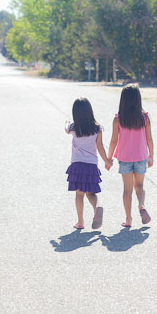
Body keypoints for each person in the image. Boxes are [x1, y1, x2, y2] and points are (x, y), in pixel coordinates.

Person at [107, 83, 153, 227]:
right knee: (139, 185)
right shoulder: (144, 118)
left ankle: (128, 219)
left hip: (125, 159)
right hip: (141, 157)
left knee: (127, 190)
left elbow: (113, 140)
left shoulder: (118, 119)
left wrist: (108, 158)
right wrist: (151, 155)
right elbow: (149, 139)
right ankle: (141, 205)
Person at [65, 97, 110, 230]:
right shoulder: (97, 128)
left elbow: (66, 129)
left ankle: (80, 222)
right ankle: (97, 208)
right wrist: (107, 161)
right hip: (91, 166)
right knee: (91, 193)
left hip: (77, 165)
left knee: (79, 194)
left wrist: (66, 122)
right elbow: (100, 147)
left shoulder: (73, 127)